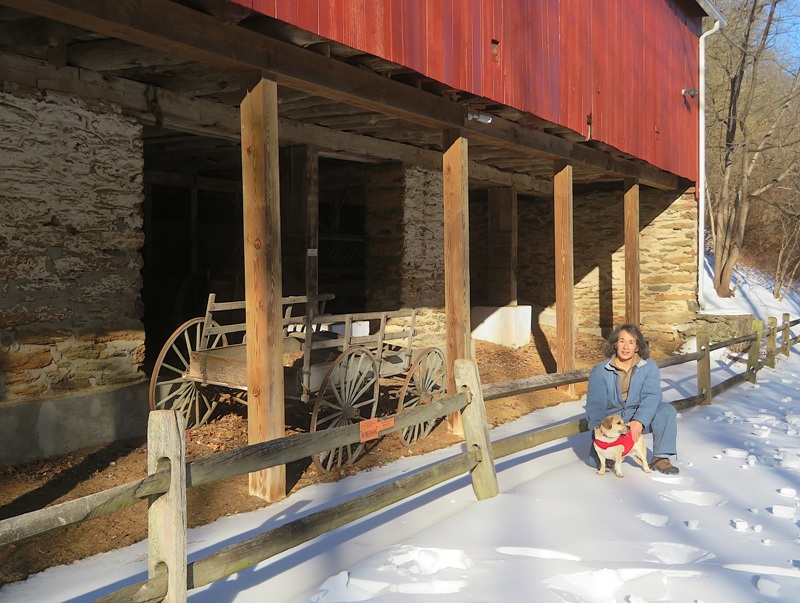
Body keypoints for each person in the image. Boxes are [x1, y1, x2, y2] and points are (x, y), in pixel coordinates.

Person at [585, 323, 679, 475]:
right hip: (614, 422)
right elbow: (595, 404)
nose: (625, 347)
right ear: (615, 344)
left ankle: (661, 457)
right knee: (593, 462)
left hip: (638, 415)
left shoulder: (649, 367)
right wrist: (598, 429)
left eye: (631, 342)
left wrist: (639, 421)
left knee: (666, 410)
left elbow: (652, 396)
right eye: (622, 341)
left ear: (637, 347)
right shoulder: (600, 371)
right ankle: (612, 454)